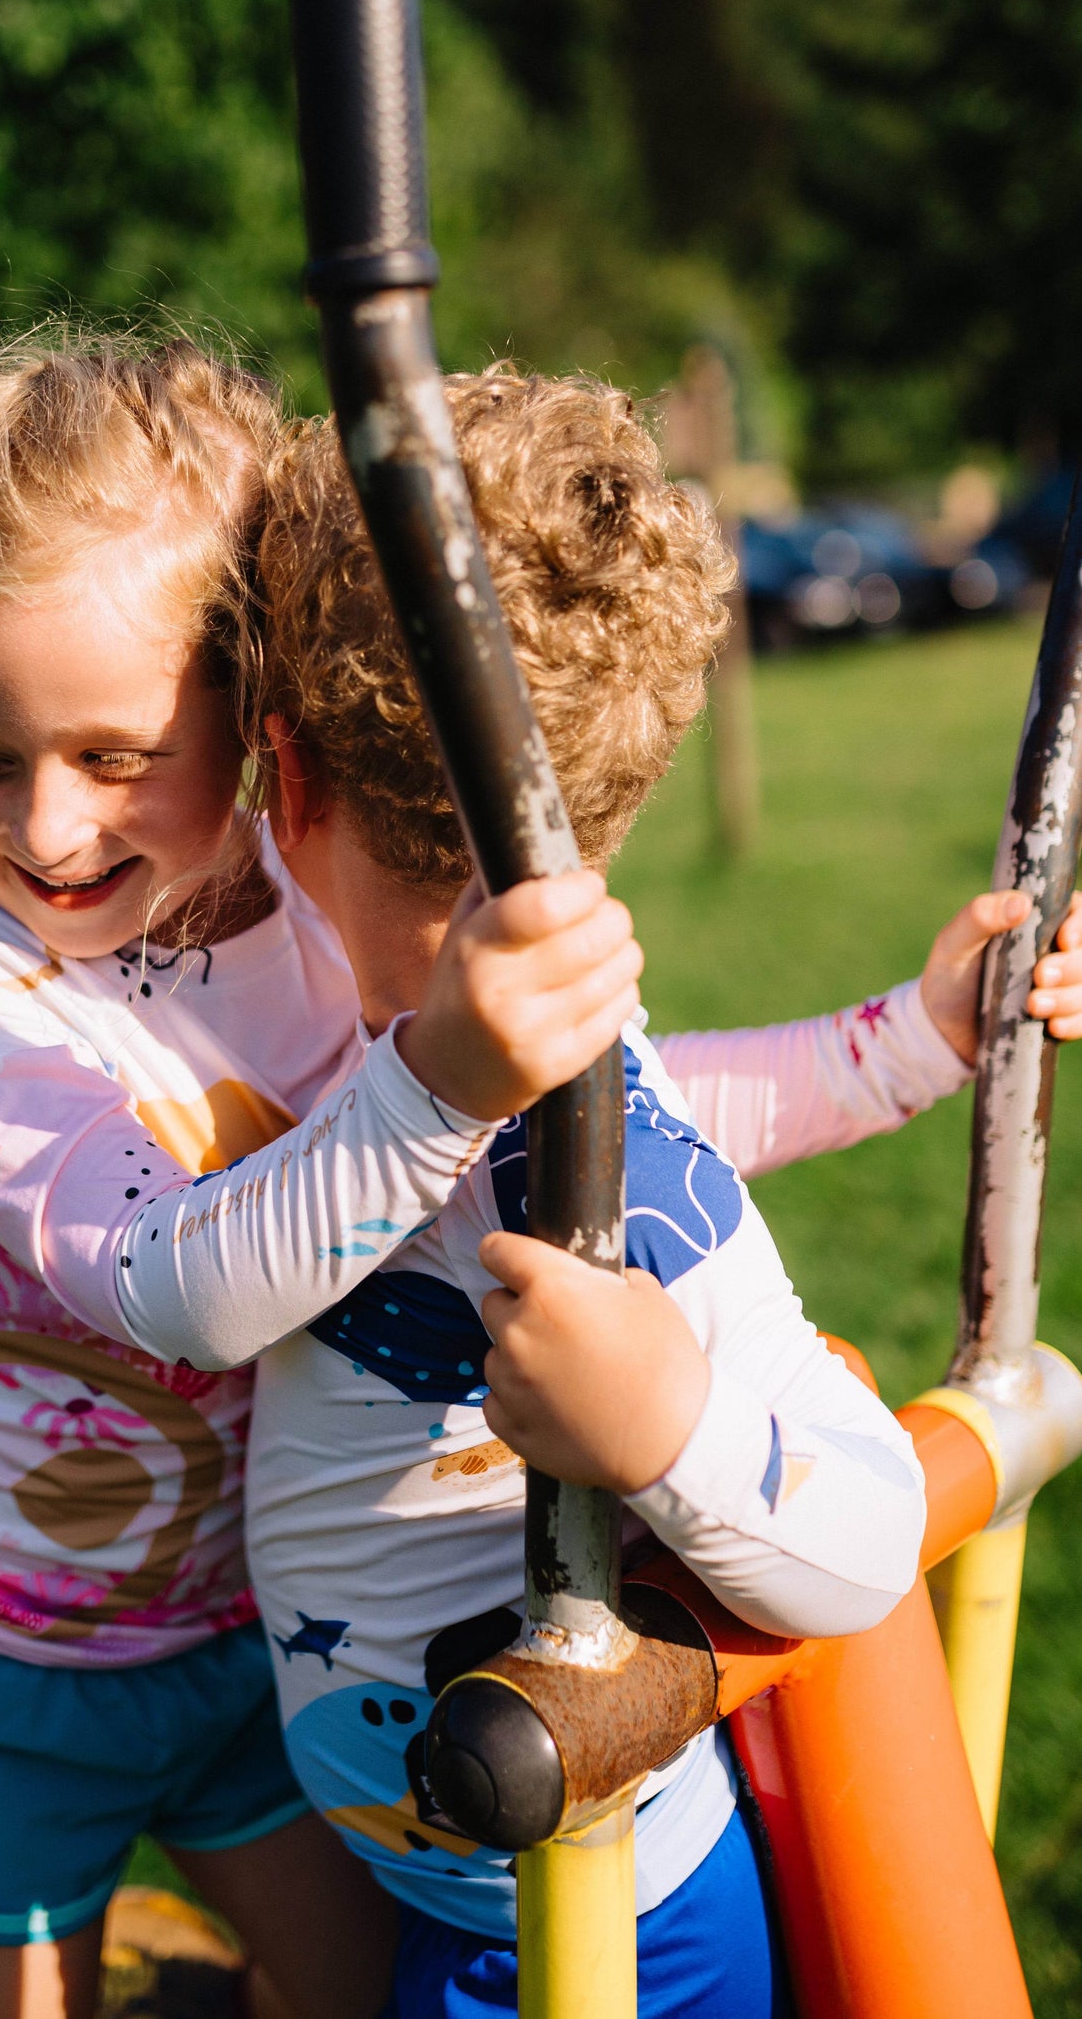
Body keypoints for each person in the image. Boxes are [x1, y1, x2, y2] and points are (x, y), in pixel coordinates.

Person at [76, 366, 1082, 2019]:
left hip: (593, 1928)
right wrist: (909, 1042)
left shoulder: (598, 1178)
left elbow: (868, 1539)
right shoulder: (417, 1058)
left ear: (288, 781)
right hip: (435, 1868)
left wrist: (667, 1428)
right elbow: (696, 1088)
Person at [0, 331, 644, 2019]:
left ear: (256, 715)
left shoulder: (314, 897)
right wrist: (438, 1079)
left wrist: (911, 1035)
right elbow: (184, 1290)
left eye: (114, 758)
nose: (41, 830)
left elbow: (615, 1111)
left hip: (268, 1644)